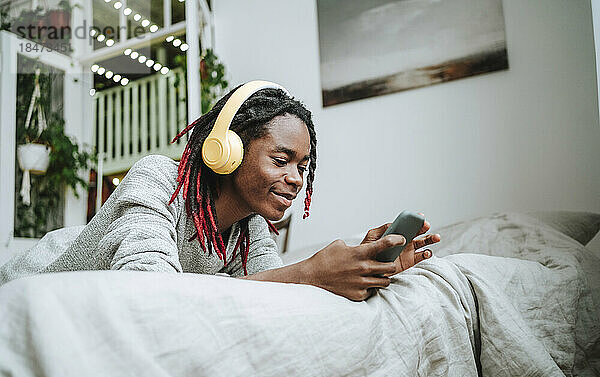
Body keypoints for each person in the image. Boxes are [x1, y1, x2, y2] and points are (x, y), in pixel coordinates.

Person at [0, 82, 440, 301]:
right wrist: (309, 271)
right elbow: (153, 293)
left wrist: (362, 264)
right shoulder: (158, 179)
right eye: (281, 159)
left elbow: (274, 293)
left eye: (303, 166)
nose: (296, 178)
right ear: (226, 150)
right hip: (31, 279)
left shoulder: (249, 229)